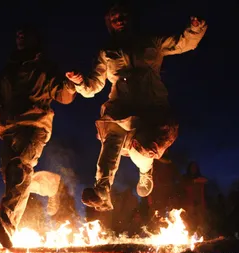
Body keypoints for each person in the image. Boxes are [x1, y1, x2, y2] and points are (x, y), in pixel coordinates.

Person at [66, 2, 207, 211]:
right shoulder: (106, 52)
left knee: (141, 151)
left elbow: (182, 43)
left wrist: (195, 29)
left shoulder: (152, 42)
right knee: (111, 138)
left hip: (152, 109)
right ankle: (102, 190)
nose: (120, 20)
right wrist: (79, 82)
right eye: (115, 18)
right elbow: (93, 86)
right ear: (110, 23)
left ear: (131, 18)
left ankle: (145, 171)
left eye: (123, 16)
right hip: (120, 109)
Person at [0, 24, 76, 248]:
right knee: (13, 178)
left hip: (35, 126)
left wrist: (72, 85)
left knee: (20, 167)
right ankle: (48, 186)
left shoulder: (45, 68)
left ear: (35, 39)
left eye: (25, 34)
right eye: (18, 34)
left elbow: (63, 95)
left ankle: (7, 223)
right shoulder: (9, 70)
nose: (21, 37)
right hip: (8, 129)